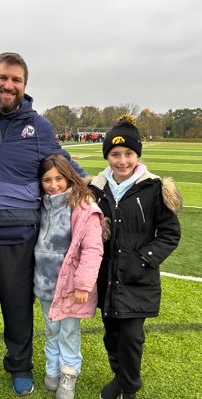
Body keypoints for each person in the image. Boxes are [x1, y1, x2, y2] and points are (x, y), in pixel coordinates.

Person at [0, 52, 87, 397]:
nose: (8, 85)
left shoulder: (39, 127)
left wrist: (101, 189)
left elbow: (68, 167)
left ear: (24, 86)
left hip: (20, 236)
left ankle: (19, 364)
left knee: (17, 308)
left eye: (16, 80)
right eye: (2, 77)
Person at [89, 115, 182, 399]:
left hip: (137, 278)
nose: (122, 160)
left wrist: (143, 259)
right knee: (112, 334)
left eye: (128, 153)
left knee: (131, 337)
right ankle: (119, 376)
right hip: (107, 277)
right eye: (115, 154)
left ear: (137, 155)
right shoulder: (97, 187)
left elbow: (170, 233)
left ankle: (128, 387)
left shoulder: (153, 188)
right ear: (107, 156)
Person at [34, 155, 104, 399]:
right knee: (51, 328)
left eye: (59, 179)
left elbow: (93, 249)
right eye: (47, 180)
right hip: (45, 282)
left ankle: (68, 372)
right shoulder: (41, 204)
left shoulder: (83, 206)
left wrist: (83, 284)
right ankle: (51, 367)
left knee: (68, 331)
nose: (53, 185)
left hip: (71, 286)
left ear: (69, 177)